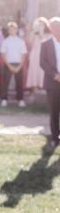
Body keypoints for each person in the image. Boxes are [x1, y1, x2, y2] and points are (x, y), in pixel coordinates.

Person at [40, 17, 60, 152]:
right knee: (54, 112)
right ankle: (54, 138)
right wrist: (55, 75)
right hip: (52, 82)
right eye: (54, 27)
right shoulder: (45, 44)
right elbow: (43, 63)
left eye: (58, 26)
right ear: (50, 29)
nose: (57, 29)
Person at [0, 21, 28, 107]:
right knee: (6, 82)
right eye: (10, 29)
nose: (12, 30)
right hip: (8, 64)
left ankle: (20, 99)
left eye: (14, 29)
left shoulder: (21, 41)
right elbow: (3, 54)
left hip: (19, 64)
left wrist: (20, 66)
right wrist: (9, 65)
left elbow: (23, 54)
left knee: (19, 82)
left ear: (17, 30)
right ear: (8, 31)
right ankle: (4, 99)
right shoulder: (5, 41)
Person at [26, 17, 51, 94]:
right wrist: (32, 34)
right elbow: (29, 45)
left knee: (43, 71)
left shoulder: (49, 35)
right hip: (35, 55)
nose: (41, 26)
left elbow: (48, 44)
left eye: (42, 25)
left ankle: (43, 87)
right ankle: (34, 88)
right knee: (34, 71)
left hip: (45, 55)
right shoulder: (33, 34)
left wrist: (42, 34)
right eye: (39, 25)